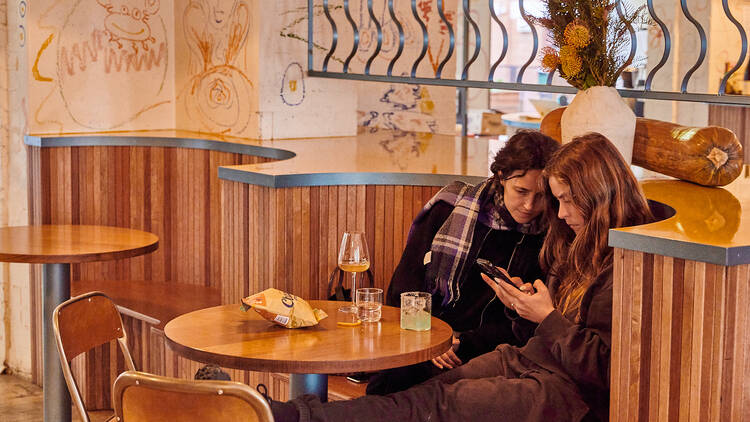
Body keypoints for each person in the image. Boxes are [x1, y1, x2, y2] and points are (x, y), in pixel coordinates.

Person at [270, 133, 655, 422]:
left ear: (597, 194)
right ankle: (293, 415)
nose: (555, 211)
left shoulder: (625, 262)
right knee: (420, 394)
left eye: (564, 200)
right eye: (557, 200)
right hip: (526, 357)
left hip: (565, 387)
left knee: (434, 404)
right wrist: (526, 308)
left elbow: (605, 367)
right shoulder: (576, 239)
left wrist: (542, 317)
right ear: (501, 179)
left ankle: (289, 416)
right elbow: (405, 288)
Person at [366, 131, 560, 395]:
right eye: (521, 191)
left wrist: (461, 342)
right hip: (424, 335)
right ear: (501, 177)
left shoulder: (549, 236)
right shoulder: (450, 207)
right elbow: (404, 288)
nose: (529, 205)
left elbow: (527, 327)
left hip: (489, 351)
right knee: (394, 381)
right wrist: (431, 340)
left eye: (540, 196)